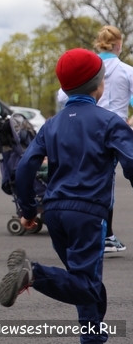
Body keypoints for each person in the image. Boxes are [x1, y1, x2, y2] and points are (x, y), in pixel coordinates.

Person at [0, 48, 133, 343]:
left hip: (54, 212)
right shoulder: (109, 122)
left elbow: (24, 169)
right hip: (88, 213)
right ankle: (32, 274)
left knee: (82, 280)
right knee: (85, 284)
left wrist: (29, 210)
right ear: (100, 85)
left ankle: (93, 337)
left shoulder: (51, 124)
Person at [56, 26, 132, 254]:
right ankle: (105, 234)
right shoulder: (126, 71)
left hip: (80, 127)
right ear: (118, 45)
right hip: (112, 130)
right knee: (105, 182)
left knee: (79, 176)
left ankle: (79, 229)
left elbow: (62, 96)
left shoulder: (87, 68)